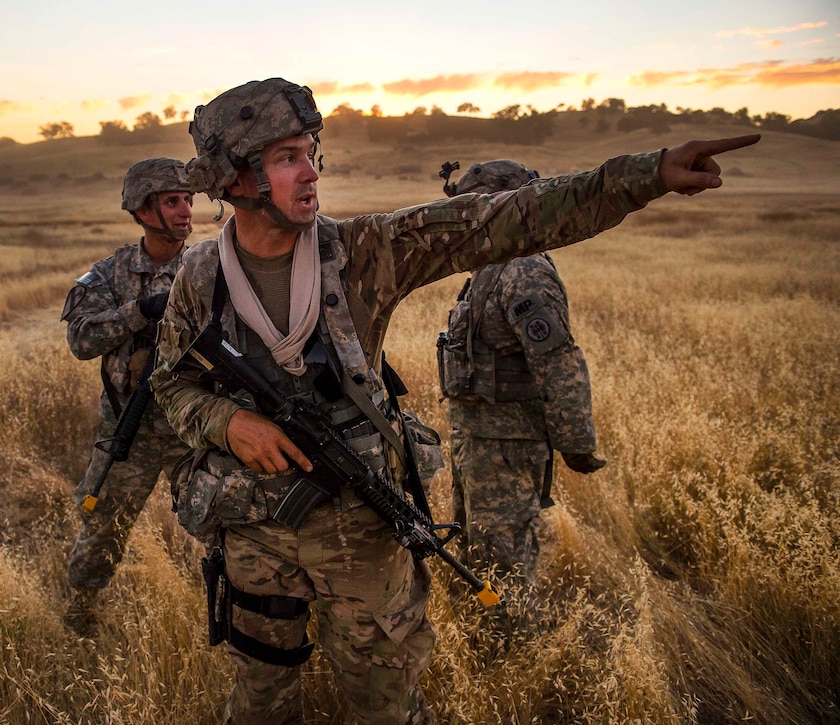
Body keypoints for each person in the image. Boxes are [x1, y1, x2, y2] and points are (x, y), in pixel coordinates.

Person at [151, 77, 759, 724]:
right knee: (258, 704)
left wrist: (649, 174)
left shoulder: (363, 252)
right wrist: (229, 421)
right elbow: (169, 384)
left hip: (359, 529)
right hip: (252, 538)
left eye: (311, 152)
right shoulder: (200, 278)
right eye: (286, 158)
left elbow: (503, 219)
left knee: (387, 703)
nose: (311, 173)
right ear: (238, 178)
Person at [437, 159, 606, 631]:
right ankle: (488, 639)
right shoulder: (489, 269)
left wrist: (576, 443)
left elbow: (557, 359)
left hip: (508, 448)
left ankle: (514, 654)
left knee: (505, 563)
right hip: (478, 442)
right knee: (478, 555)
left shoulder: (524, 271)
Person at [60, 157, 195, 636]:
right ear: (141, 210)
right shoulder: (109, 274)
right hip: (128, 429)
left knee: (228, 524)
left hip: (195, 427)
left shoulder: (209, 268)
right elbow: (81, 341)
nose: (185, 210)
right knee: (102, 529)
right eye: (171, 200)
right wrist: (138, 312)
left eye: (188, 199)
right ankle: (81, 614)